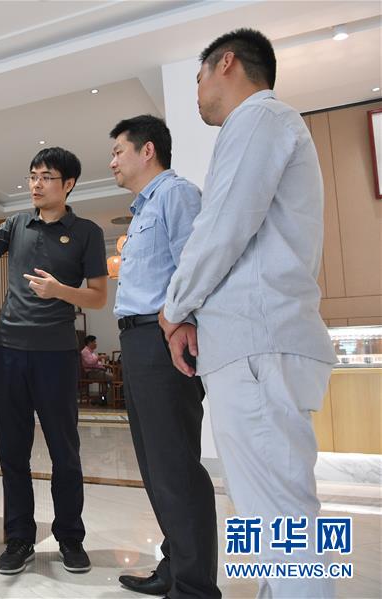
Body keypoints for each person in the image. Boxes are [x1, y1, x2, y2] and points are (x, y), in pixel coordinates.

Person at [159, 29, 337, 599]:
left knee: (281, 516)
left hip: (258, 341)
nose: (197, 93)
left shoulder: (258, 118)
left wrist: (174, 308)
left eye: (198, 78)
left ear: (227, 63)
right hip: (256, 340)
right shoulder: (268, 124)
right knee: (271, 513)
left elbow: (222, 227)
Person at [0, 147, 107, 575]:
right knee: (12, 449)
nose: (36, 184)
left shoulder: (86, 232)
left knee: (64, 450)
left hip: (57, 353)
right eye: (32, 176)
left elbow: (99, 297)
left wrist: (60, 291)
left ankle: (70, 538)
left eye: (46, 177)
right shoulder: (16, 224)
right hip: (10, 349)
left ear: (68, 184)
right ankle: (19, 538)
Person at [109, 115, 219, 599]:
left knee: (176, 465)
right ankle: (175, 567)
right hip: (138, 340)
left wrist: (183, 321)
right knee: (156, 466)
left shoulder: (176, 195)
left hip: (163, 338)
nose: (113, 161)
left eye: (119, 151)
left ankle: (195, 587)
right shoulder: (143, 209)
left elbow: (193, 264)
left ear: (147, 150)